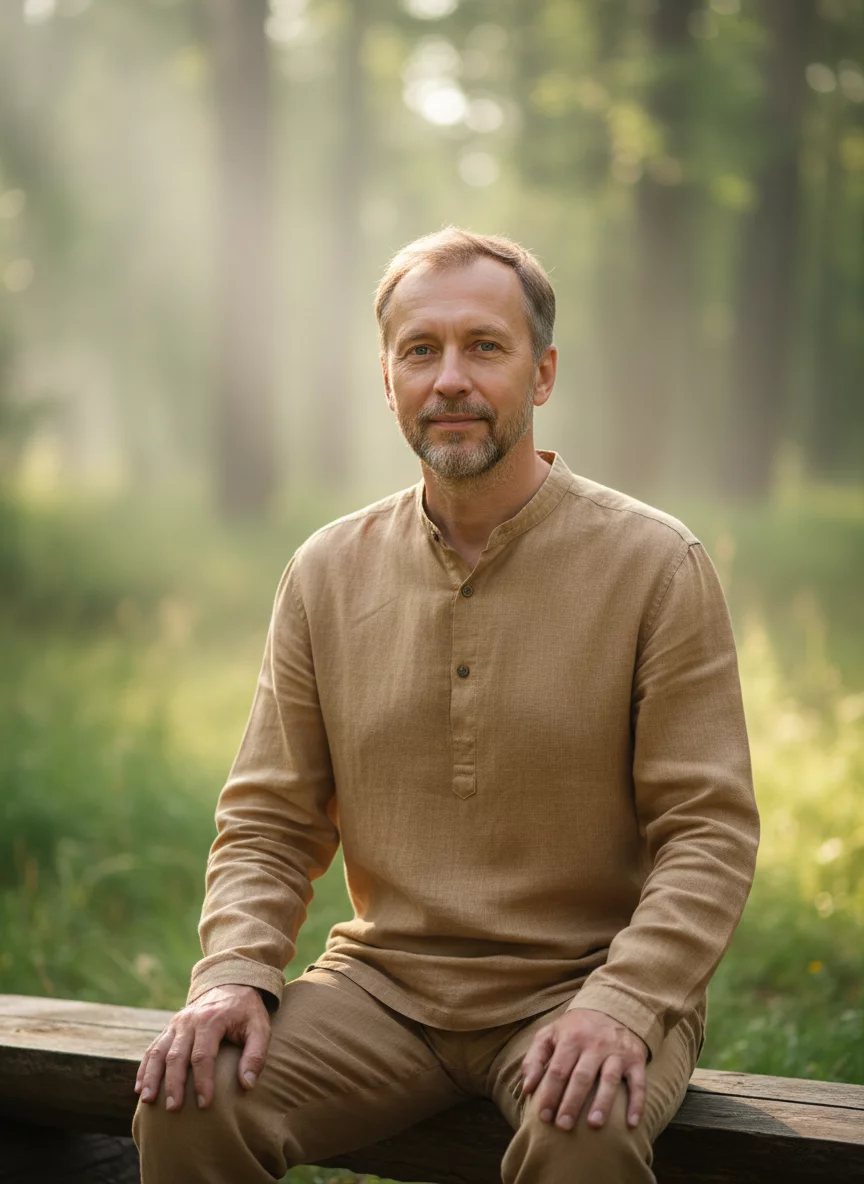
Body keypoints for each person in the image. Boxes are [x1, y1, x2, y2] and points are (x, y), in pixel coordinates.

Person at [133, 228, 759, 1183]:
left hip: (582, 984)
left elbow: (708, 832)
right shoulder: (325, 571)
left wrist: (626, 1004)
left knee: (583, 1134)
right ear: (387, 380)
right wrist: (234, 975)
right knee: (192, 1099)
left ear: (542, 375)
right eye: (420, 351)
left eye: (485, 346)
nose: (450, 379)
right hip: (382, 990)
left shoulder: (656, 565)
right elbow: (269, 820)